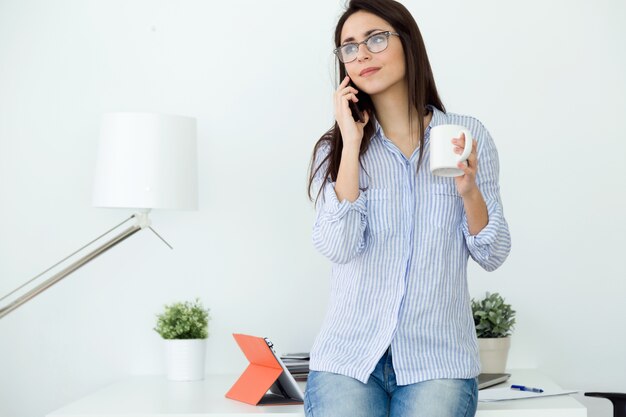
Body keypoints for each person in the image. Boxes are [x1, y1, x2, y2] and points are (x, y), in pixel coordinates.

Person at [304, 0, 512, 416]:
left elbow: (493, 252)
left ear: (408, 44)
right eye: (348, 47)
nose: (361, 54)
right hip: (349, 357)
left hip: (438, 359)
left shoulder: (465, 135)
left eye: (376, 39)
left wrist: (469, 191)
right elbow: (338, 246)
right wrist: (350, 140)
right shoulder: (338, 147)